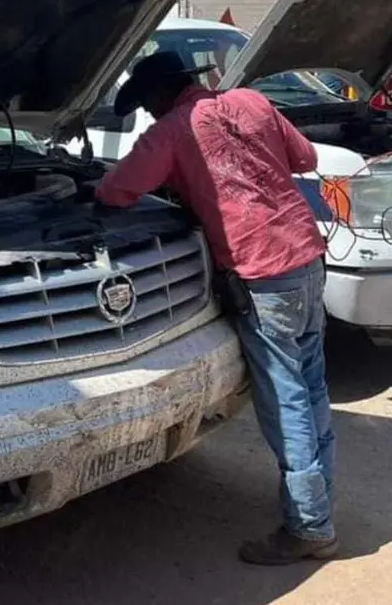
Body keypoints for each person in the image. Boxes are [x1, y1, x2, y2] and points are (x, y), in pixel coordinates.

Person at [91, 50, 336, 564]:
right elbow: (306, 159)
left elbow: (116, 192)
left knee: (285, 399)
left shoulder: (171, 131)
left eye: (150, 105)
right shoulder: (251, 101)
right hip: (307, 259)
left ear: (160, 96)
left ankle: (310, 527)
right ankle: (320, 508)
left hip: (261, 273)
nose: (152, 114)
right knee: (311, 388)